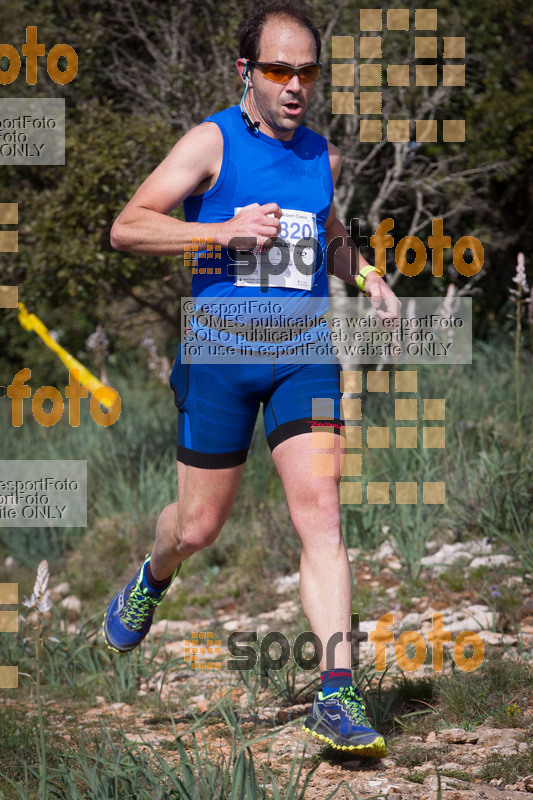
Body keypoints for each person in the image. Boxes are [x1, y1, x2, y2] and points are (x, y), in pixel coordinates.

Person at [103, 0, 399, 757]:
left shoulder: (321, 156)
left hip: (304, 350)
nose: (294, 84)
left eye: (306, 70)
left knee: (321, 517)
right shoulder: (210, 142)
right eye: (278, 69)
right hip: (220, 357)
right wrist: (216, 229)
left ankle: (336, 694)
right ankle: (153, 570)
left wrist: (365, 275)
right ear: (247, 72)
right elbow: (129, 225)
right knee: (198, 527)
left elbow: (326, 234)